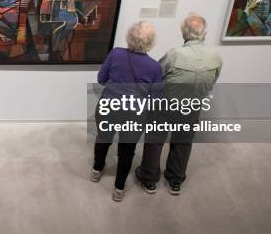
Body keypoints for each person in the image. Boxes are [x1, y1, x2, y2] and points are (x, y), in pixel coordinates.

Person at [136, 13, 222, 195]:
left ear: (184, 32)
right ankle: (175, 180)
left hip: (166, 105)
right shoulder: (215, 57)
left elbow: (156, 75)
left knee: (155, 140)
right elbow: (212, 82)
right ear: (204, 33)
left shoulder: (175, 54)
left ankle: (149, 179)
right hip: (193, 106)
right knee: (183, 142)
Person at [90, 21, 162, 202]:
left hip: (109, 106)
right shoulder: (154, 67)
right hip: (135, 113)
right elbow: (156, 98)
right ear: (151, 42)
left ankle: (96, 170)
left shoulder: (116, 54)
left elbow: (101, 79)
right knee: (127, 149)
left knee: (103, 137)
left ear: (130, 36)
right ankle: (119, 188)